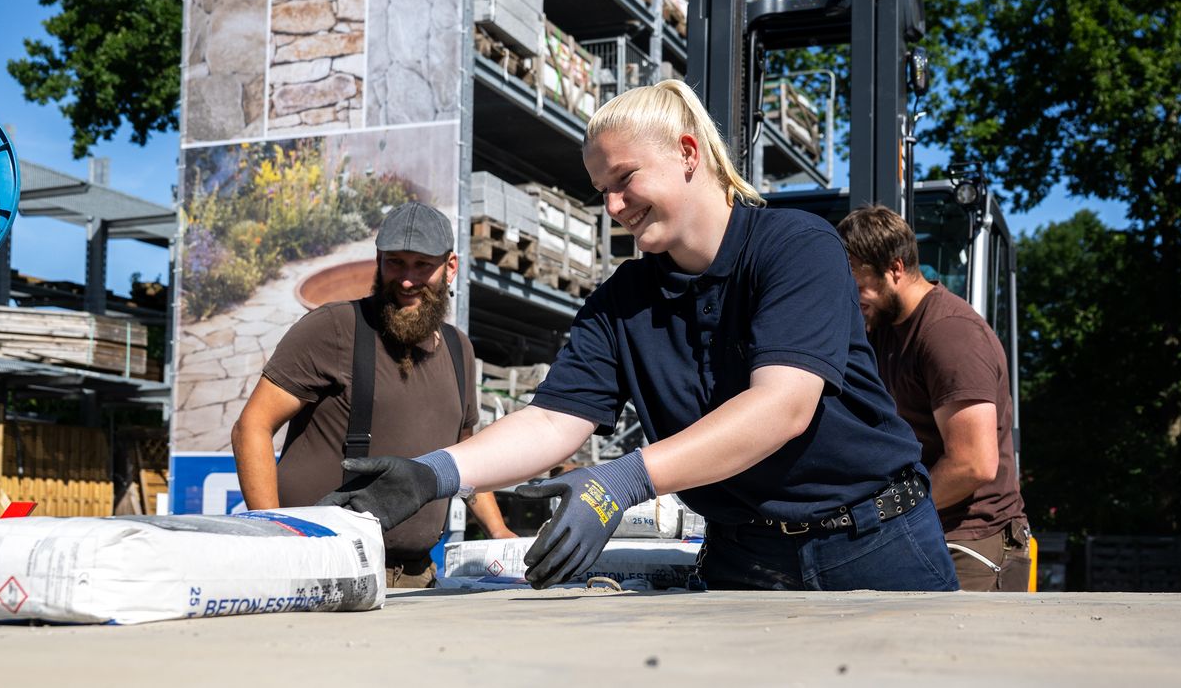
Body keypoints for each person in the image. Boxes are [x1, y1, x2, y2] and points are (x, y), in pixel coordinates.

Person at [318, 81, 957, 592]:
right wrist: (433, 474)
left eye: (624, 179)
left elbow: (782, 407)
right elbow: (552, 422)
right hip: (743, 558)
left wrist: (623, 480)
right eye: (602, 191)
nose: (614, 207)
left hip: (874, 544)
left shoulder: (797, 247)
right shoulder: (623, 299)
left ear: (687, 152)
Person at [231, 201, 515, 589]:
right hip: (326, 569)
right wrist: (276, 538)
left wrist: (499, 532)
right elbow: (252, 426)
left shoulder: (458, 348)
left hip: (417, 576)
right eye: (395, 263)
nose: (407, 280)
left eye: (422, 265)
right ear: (378, 261)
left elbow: (466, 455)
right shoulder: (334, 328)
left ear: (450, 267)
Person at [836, 205, 1031, 592]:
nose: (856, 301)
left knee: (957, 653)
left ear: (895, 269)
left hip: (975, 539)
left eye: (859, 288)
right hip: (930, 527)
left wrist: (886, 515)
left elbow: (972, 463)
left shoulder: (950, 334)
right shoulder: (885, 328)